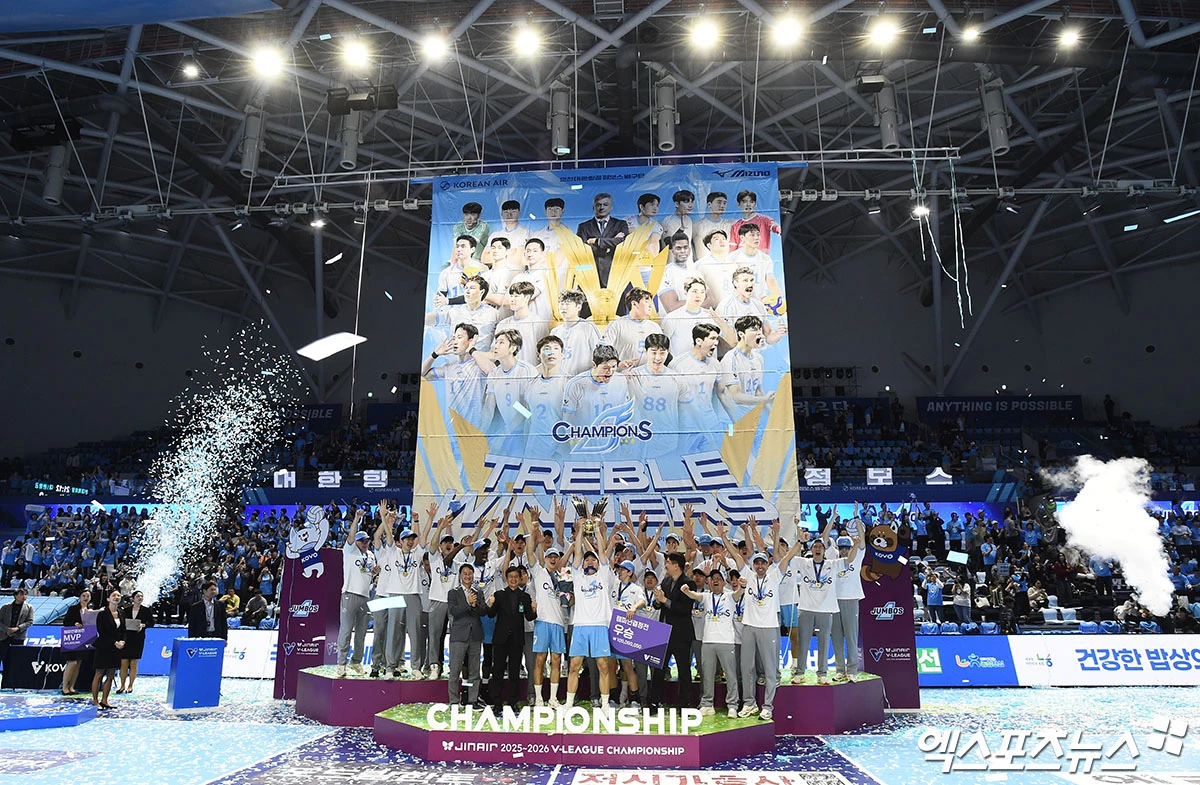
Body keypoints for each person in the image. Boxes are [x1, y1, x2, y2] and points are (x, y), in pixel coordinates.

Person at [723, 529, 800, 720]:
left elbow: (787, 557)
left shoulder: (775, 576)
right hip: (749, 626)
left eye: (762, 563)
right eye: (756, 563)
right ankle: (749, 703)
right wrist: (723, 537)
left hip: (769, 627)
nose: (759, 566)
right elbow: (735, 554)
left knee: (769, 668)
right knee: (746, 667)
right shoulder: (747, 575)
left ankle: (768, 706)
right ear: (753, 564)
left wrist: (799, 541)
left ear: (767, 564)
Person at [564, 517, 618, 710]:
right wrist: (580, 530)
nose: (589, 561)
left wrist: (596, 529)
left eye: (592, 559)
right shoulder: (577, 576)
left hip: (599, 626)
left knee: (603, 666)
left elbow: (602, 551)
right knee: (574, 666)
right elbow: (578, 552)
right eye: (587, 559)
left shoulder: (603, 574)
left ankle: (605, 705)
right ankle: (568, 704)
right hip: (580, 626)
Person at [680, 568, 742, 718]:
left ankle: (732, 705)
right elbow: (693, 595)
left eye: (718, 579)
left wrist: (743, 586)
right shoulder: (706, 597)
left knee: (730, 675)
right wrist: (686, 590)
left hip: (726, 641)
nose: (715, 581)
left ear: (724, 583)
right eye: (713, 579)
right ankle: (707, 704)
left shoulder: (729, 596)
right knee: (707, 675)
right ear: (709, 582)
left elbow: (739, 592)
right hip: (707, 641)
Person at [649, 550, 697, 708]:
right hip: (664, 633)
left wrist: (665, 600)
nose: (666, 566)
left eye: (668, 563)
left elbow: (685, 609)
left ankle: (684, 703)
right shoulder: (666, 581)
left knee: (683, 670)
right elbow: (658, 605)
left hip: (681, 633)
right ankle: (655, 701)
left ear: (676, 566)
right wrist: (658, 601)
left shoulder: (689, 584)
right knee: (658, 670)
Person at [488, 557, 536, 711]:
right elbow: (491, 614)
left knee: (514, 672)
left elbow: (529, 617)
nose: (513, 579)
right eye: (511, 577)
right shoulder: (499, 595)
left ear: (520, 578)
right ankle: (496, 702)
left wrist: (534, 609)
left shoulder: (525, 597)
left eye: (516, 577)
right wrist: (490, 604)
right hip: (500, 639)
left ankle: (513, 702)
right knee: (498, 671)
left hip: (516, 639)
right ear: (507, 579)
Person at [336, 509, 377, 677]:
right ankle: (341, 663)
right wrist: (357, 519)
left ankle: (356, 661)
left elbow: (367, 573)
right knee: (346, 630)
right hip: (350, 594)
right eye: (362, 541)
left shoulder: (371, 555)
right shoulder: (350, 551)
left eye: (366, 540)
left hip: (365, 596)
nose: (365, 543)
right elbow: (351, 536)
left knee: (361, 632)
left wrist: (374, 572)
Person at [447, 562, 491, 709]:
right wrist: (467, 603)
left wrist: (474, 606)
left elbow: (483, 611)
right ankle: (454, 701)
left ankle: (473, 700)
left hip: (475, 635)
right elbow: (453, 611)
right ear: (460, 575)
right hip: (459, 636)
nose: (468, 576)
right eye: (465, 573)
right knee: (455, 670)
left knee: (474, 671)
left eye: (470, 573)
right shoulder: (453, 592)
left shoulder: (478, 592)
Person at [831, 532, 866, 682]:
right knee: (836, 638)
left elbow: (862, 543)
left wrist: (857, 520)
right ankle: (840, 670)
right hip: (834, 602)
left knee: (851, 637)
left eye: (847, 548)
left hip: (851, 600)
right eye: (842, 548)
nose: (844, 551)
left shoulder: (857, 557)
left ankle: (852, 670)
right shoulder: (834, 561)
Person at [576, 192, 630, 286]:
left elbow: (623, 243)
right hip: (591, 274)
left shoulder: (620, 224)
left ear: (611, 207)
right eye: (598, 205)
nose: (602, 207)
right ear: (593, 207)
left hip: (615, 272)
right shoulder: (583, 226)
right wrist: (610, 244)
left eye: (605, 204)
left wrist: (597, 241)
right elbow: (582, 249)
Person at [92, 589, 125, 709]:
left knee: (111, 675)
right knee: (99, 674)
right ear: (108, 599)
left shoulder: (121, 613)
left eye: (118, 595)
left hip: (116, 649)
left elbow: (123, 630)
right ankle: (95, 701)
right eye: (114, 595)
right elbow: (102, 631)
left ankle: (104, 700)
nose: (116, 597)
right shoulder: (102, 614)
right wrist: (114, 642)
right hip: (104, 647)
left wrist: (123, 641)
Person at [117, 589, 152, 694]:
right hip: (126, 638)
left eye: (141, 596)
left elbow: (151, 622)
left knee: (134, 662)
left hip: (138, 639)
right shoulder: (126, 610)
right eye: (138, 596)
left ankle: (130, 685)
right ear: (133, 598)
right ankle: (122, 685)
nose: (140, 598)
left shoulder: (146, 610)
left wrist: (143, 625)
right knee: (123, 662)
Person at [61, 588, 92, 696]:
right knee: (72, 662)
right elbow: (66, 622)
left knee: (78, 663)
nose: (86, 598)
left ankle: (72, 686)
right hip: (72, 638)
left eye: (88, 596)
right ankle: (65, 687)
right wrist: (75, 624)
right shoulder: (73, 608)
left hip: (84, 638)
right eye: (84, 596)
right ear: (80, 597)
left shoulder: (90, 610)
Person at [0, 587, 33, 668]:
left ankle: (14, 675)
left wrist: (17, 628)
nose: (24, 596)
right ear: (15, 596)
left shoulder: (29, 607)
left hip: (19, 636)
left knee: (17, 658)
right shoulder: (5, 607)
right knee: (3, 656)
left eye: (25, 594)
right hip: (4, 636)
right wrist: (7, 629)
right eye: (21, 594)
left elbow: (30, 622)